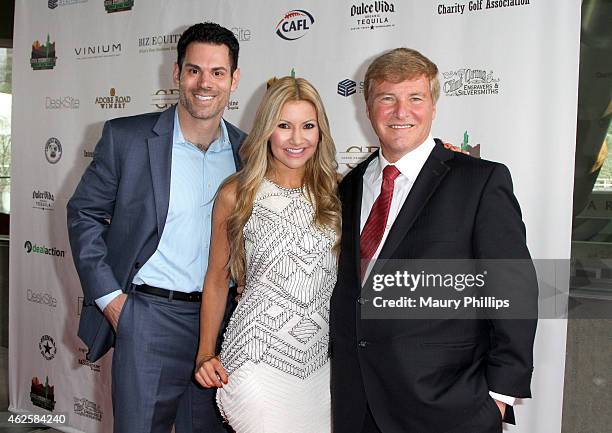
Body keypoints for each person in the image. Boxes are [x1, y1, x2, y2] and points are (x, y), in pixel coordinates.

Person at [329, 48, 538, 433]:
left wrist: (500, 397)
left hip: (449, 407)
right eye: (387, 97)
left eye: (415, 98)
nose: (400, 111)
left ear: (434, 106)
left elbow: (513, 288)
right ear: (367, 105)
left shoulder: (479, 181)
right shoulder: (350, 185)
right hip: (358, 403)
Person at [67, 22, 245, 433]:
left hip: (219, 325)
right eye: (194, 70)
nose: (205, 83)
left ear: (234, 79)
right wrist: (113, 302)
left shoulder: (249, 151)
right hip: (147, 317)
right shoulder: (126, 138)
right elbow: (83, 215)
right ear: (176, 74)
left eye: (217, 72)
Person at [194, 76, 341, 433]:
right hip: (256, 353)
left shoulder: (338, 191)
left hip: (320, 361)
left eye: (308, 126)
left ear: (320, 132)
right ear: (266, 131)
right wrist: (205, 352)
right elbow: (216, 278)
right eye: (284, 126)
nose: (297, 139)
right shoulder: (237, 193)